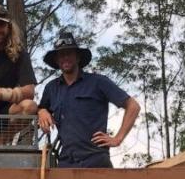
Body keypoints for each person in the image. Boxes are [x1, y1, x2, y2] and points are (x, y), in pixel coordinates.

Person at [37, 31, 140, 168]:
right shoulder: (51, 88)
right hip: (66, 162)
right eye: (61, 55)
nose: (65, 58)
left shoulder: (98, 82)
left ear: (78, 57)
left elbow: (133, 106)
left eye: (69, 53)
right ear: (56, 60)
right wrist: (42, 111)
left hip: (95, 160)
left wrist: (117, 139)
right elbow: (41, 108)